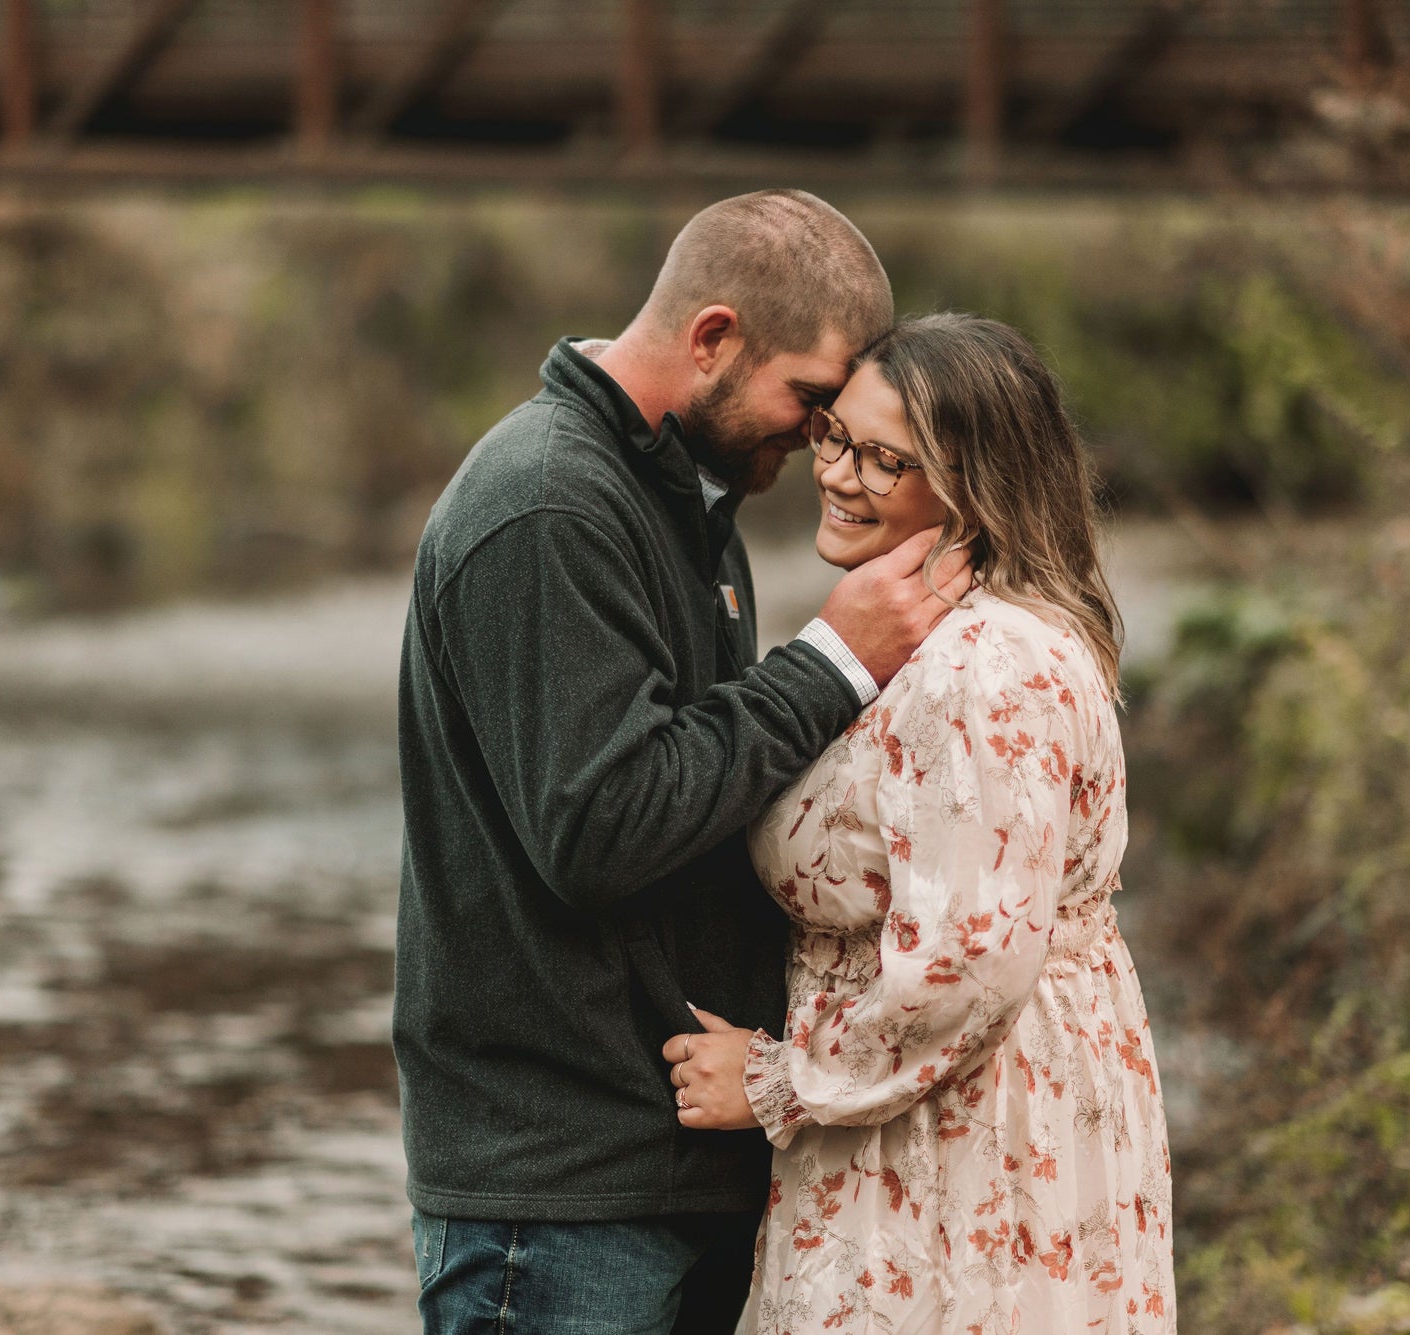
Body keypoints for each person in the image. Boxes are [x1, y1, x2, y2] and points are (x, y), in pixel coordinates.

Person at [394, 191, 975, 1332]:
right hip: (559, 1195)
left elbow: (705, 788)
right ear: (712, 338)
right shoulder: (547, 505)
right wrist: (829, 661)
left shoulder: (678, 501)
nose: (817, 441)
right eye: (809, 399)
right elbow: (601, 826)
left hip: (666, 1162)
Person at [666, 313, 1177, 1333]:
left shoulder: (983, 667)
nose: (839, 474)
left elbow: (970, 960)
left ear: (971, 486)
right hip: (941, 1105)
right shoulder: (940, 635)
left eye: (883, 459)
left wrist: (775, 1083)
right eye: (832, 437)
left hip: (961, 1127)